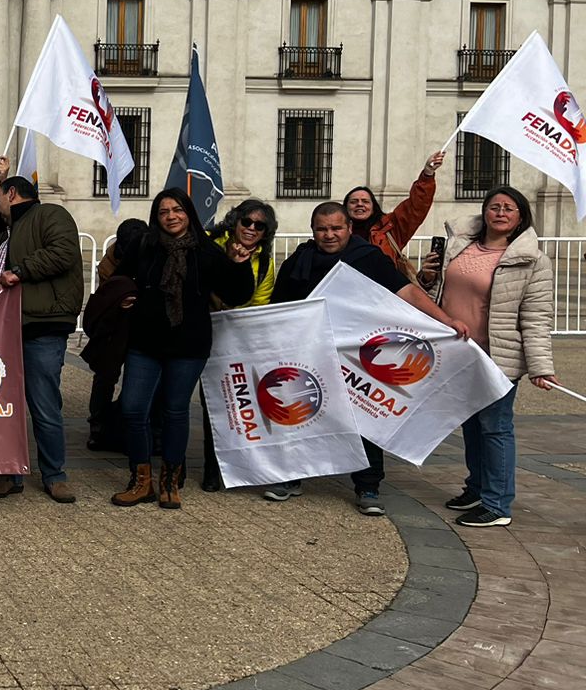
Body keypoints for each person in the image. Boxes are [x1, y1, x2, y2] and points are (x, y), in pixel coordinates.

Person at [264, 200, 470, 513]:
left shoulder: (368, 257)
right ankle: (292, 476)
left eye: (336, 228)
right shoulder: (298, 261)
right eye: (322, 229)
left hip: (357, 357)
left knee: (365, 418)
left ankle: (368, 486)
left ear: (349, 228)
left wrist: (444, 320)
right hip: (309, 352)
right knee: (301, 414)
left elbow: (407, 292)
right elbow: (279, 309)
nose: (329, 235)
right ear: (313, 231)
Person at [111, 189, 255, 511]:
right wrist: (124, 297)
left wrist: (238, 263)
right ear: (156, 216)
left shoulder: (206, 252)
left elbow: (236, 293)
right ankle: (140, 479)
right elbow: (119, 276)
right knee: (133, 408)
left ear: (188, 213)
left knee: (175, 411)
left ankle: (170, 481)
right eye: (164, 212)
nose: (171, 216)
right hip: (145, 342)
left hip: (188, 345)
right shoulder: (145, 245)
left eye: (177, 210)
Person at [419, 187, 555, 528]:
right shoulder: (459, 245)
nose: (500, 212)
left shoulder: (533, 260)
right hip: (458, 353)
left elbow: (536, 317)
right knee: (471, 426)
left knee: (495, 427)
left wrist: (540, 367)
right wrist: (427, 277)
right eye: (494, 206)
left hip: (497, 356)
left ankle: (497, 504)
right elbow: (434, 295)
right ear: (484, 212)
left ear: (520, 217)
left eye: (509, 208)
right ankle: (477, 488)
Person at [0, 176, 85, 503]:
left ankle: (55, 475)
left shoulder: (50, 215)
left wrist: (21, 271)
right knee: (5, 407)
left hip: (41, 325)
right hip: (6, 329)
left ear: (11, 193)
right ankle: (9, 472)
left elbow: (63, 253)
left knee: (44, 404)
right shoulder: (7, 232)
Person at [197, 199, 279, 490]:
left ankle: (220, 467)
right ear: (235, 221)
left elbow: (260, 302)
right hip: (197, 331)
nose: (252, 229)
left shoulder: (265, 262)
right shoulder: (208, 243)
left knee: (225, 402)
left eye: (260, 226)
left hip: (232, 337)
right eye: (248, 222)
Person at [80, 218, 148, 453]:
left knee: (137, 378)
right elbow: (110, 294)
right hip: (114, 330)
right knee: (105, 377)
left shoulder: (148, 257)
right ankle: (98, 426)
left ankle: (127, 425)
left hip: (140, 328)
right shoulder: (109, 263)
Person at [344, 151, 443, 279]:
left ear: (373, 207)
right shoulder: (336, 232)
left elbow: (415, 207)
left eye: (365, 201)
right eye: (353, 202)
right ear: (345, 208)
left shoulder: (389, 228)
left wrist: (427, 174)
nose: (360, 204)